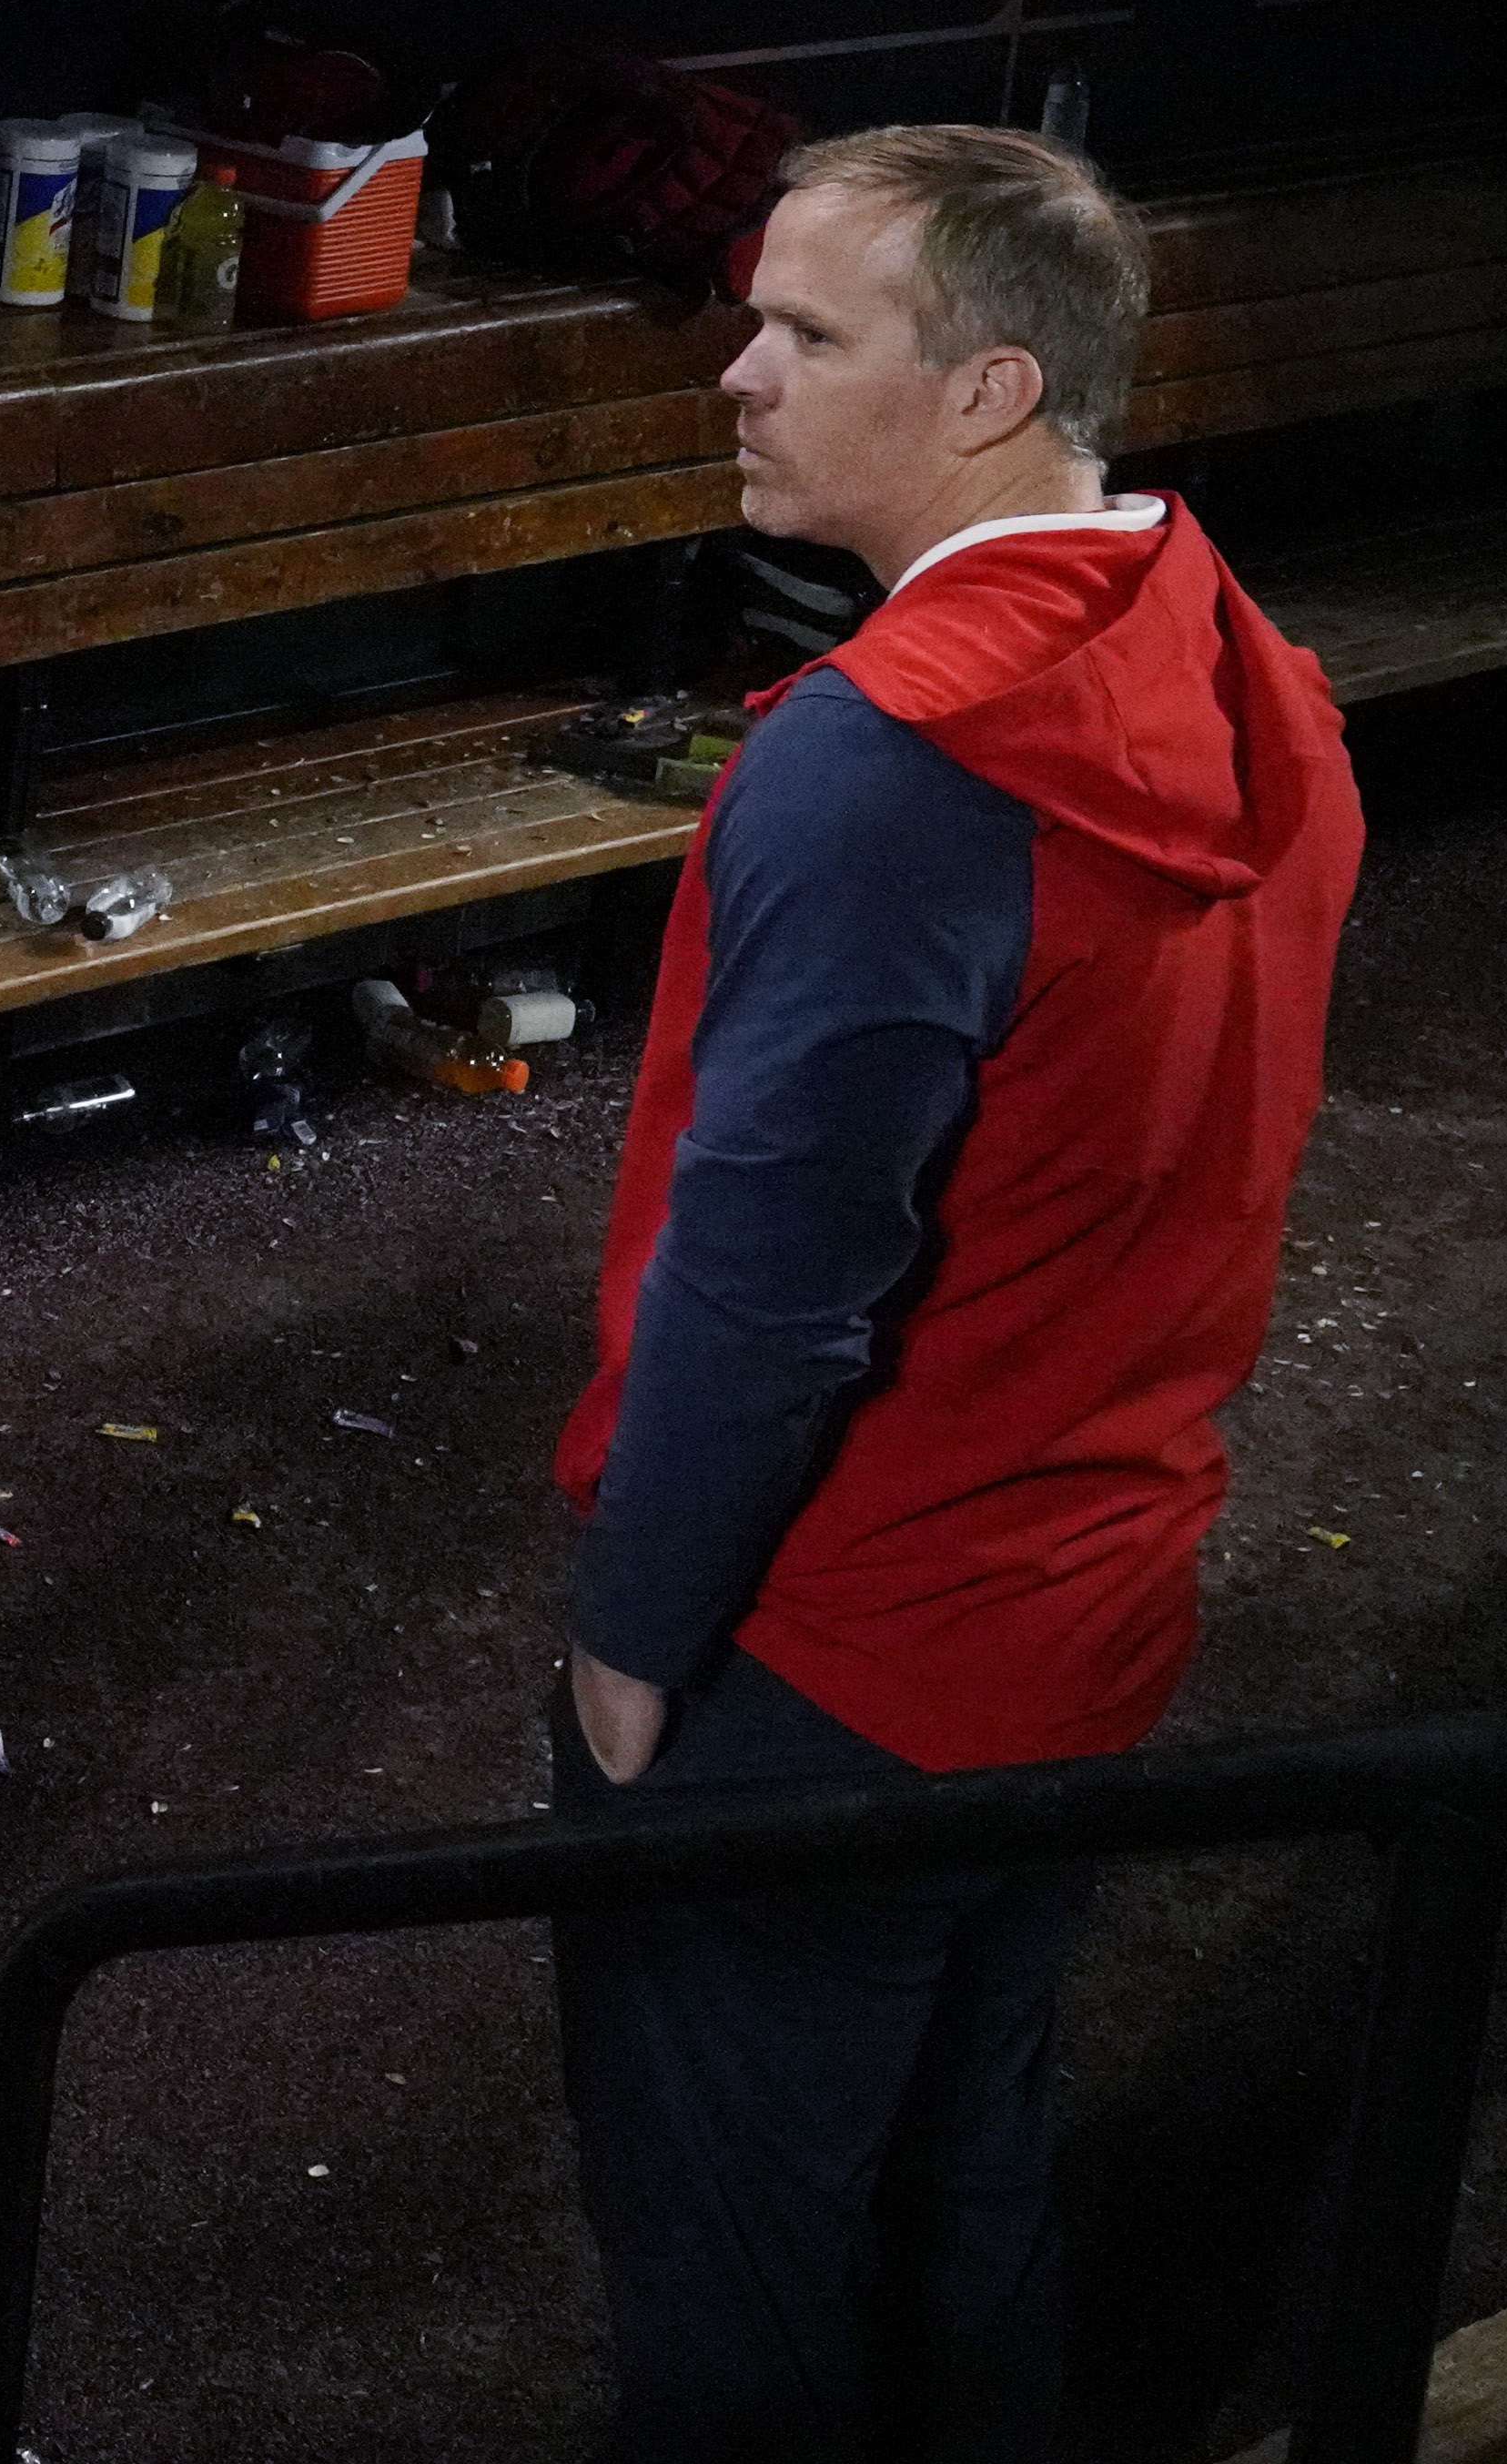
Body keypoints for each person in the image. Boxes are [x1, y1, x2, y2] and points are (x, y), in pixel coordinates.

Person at [555, 125, 1356, 2464]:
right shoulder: (1254, 671)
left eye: (808, 331)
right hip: (1095, 1604)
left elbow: (771, 1287)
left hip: (829, 1647)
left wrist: (629, 1644)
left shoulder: (878, 767)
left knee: (739, 2274)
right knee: (959, 2186)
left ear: (991, 385)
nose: (738, 373)